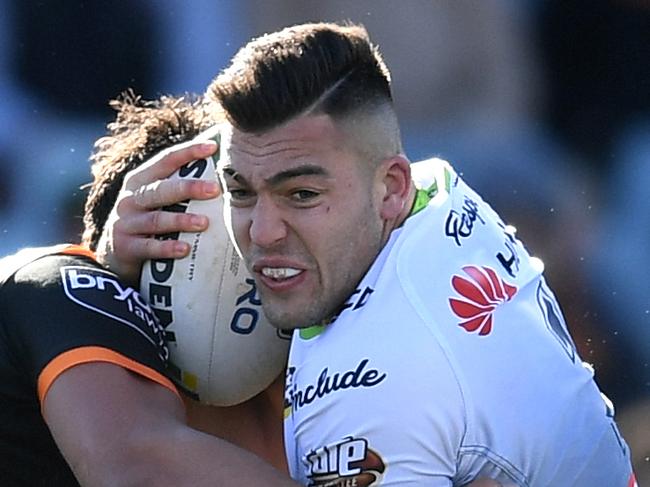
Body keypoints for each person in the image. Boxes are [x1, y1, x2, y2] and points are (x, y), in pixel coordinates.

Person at [95, 23, 637, 486]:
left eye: (301, 195)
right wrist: (111, 259)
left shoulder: (359, 396)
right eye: (239, 191)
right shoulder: (438, 193)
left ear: (389, 188)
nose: (261, 232)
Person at [0, 93, 299, 486]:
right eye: (241, 199)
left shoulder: (337, 361)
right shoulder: (50, 286)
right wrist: (108, 278)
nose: (268, 235)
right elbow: (139, 467)